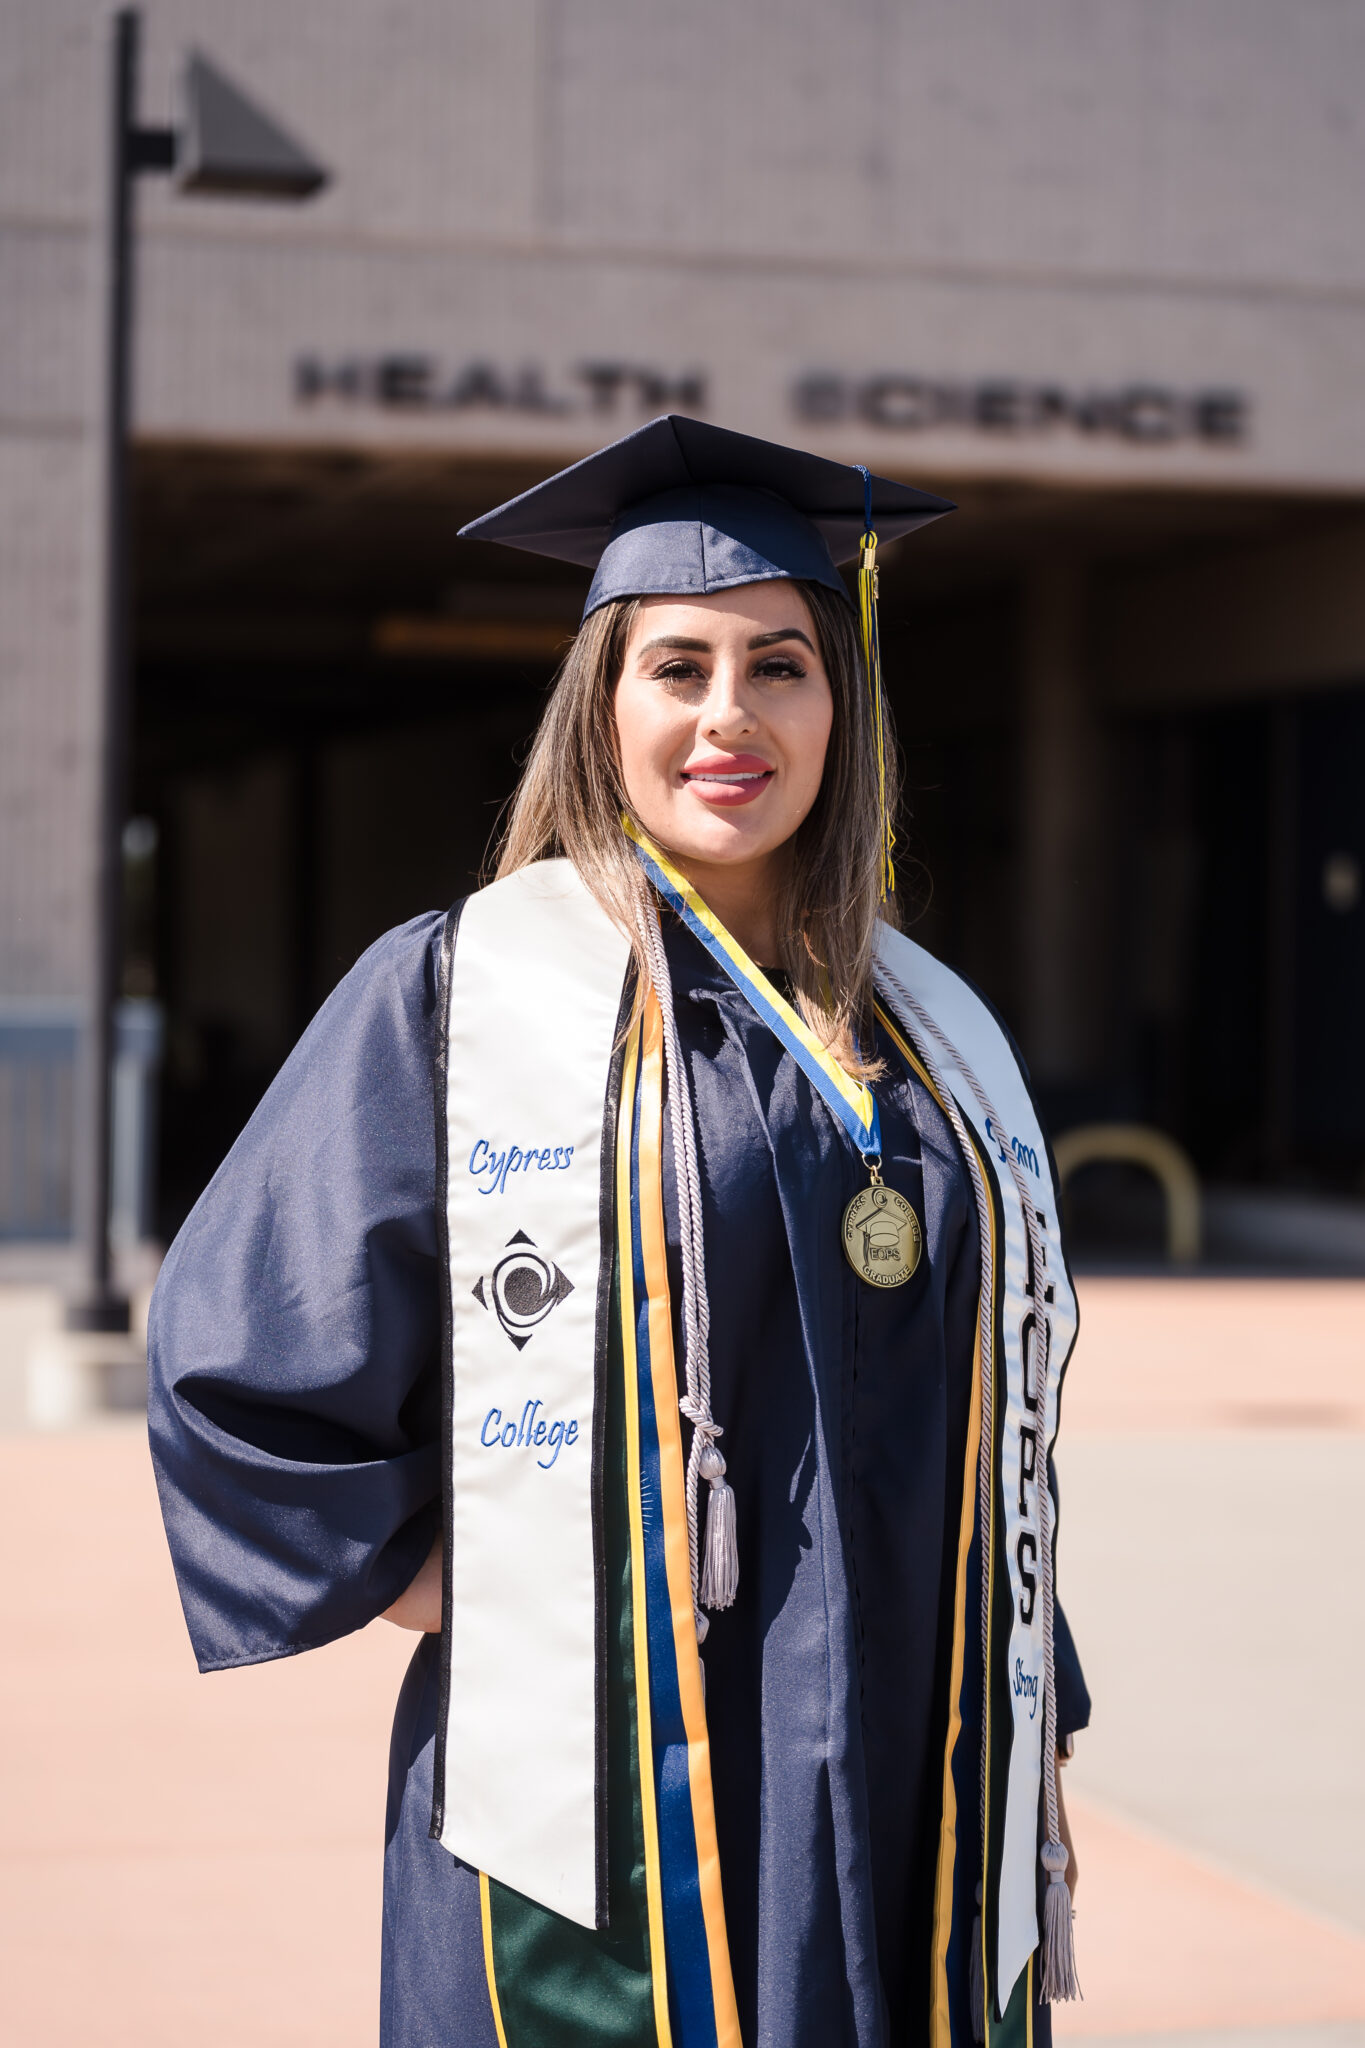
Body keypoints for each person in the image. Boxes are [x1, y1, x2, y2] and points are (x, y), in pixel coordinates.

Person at [148, 415, 1090, 2048]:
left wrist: (1030, 1695)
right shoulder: (465, 990)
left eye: (780, 666)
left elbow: (987, 1415)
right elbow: (239, 1359)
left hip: (910, 1752)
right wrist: (480, 1582)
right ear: (604, 706)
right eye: (678, 666)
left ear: (837, 702)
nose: (730, 716)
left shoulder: (930, 1040)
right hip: (607, 1780)